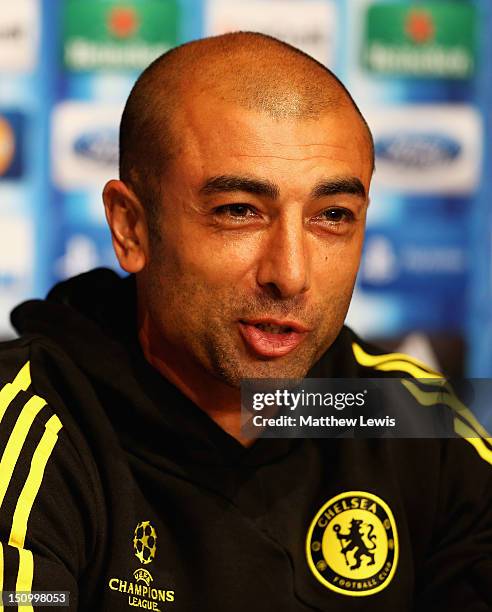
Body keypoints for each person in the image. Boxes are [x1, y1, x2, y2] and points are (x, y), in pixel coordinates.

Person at [0, 32, 490, 612]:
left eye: (332, 216)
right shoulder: (30, 424)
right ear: (131, 228)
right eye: (239, 212)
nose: (290, 273)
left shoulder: (407, 416)